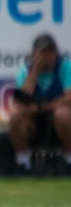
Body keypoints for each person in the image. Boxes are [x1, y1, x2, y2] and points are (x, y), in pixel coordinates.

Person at [9, 33, 71, 174]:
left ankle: (69, 160)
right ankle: (23, 163)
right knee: (16, 118)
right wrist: (35, 72)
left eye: (50, 52)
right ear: (34, 55)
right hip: (34, 121)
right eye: (43, 53)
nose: (47, 57)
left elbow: (69, 98)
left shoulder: (66, 67)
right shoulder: (26, 70)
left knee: (63, 114)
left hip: (57, 117)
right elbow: (21, 99)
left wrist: (41, 108)